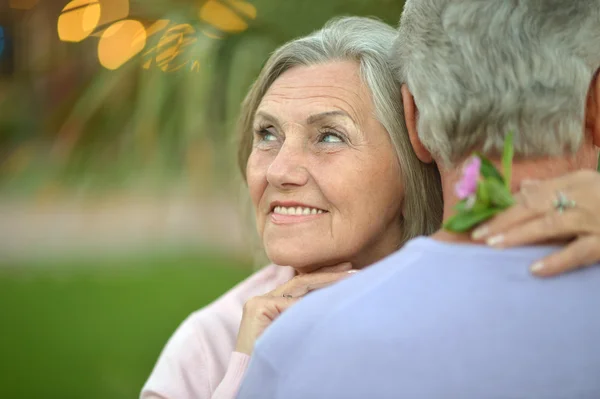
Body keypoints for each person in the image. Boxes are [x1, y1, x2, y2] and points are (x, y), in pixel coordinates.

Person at [143, 15, 600, 399]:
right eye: (267, 134)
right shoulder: (208, 343)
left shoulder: (482, 290)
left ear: (415, 140)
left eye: (328, 136)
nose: (279, 170)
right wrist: (249, 366)